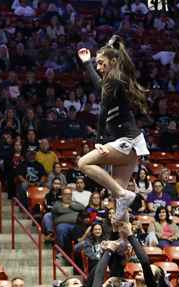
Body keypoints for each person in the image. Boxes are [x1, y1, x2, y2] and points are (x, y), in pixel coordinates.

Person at [76, 35, 149, 222]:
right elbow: (100, 86)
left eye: (101, 63)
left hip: (128, 141)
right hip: (131, 144)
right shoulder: (113, 79)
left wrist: (99, 141)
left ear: (113, 62)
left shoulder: (115, 79)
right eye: (97, 64)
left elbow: (102, 112)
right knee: (119, 201)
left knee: (83, 163)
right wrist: (87, 63)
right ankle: (125, 235)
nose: (98, 67)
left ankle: (123, 194)